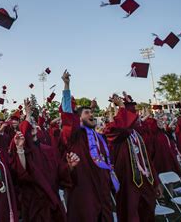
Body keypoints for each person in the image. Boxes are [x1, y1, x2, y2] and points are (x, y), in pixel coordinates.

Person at [59, 70, 117, 222]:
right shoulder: (76, 135)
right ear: (78, 118)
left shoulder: (99, 137)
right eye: (86, 113)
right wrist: (66, 85)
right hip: (84, 189)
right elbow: (67, 115)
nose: (91, 115)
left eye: (92, 112)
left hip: (102, 188)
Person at [104, 93, 159, 222]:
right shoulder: (116, 135)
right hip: (128, 182)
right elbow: (121, 127)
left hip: (146, 182)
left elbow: (147, 161)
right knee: (130, 214)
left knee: (148, 211)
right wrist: (122, 107)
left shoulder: (137, 135)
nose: (136, 117)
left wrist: (156, 182)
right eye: (131, 114)